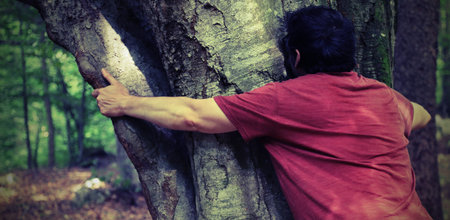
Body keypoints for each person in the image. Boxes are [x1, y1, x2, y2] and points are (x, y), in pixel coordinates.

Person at [92, 6, 432, 220]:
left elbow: (193, 115)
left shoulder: (287, 100)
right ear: (351, 57)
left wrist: (126, 103)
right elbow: (422, 115)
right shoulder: (383, 97)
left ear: (295, 58)